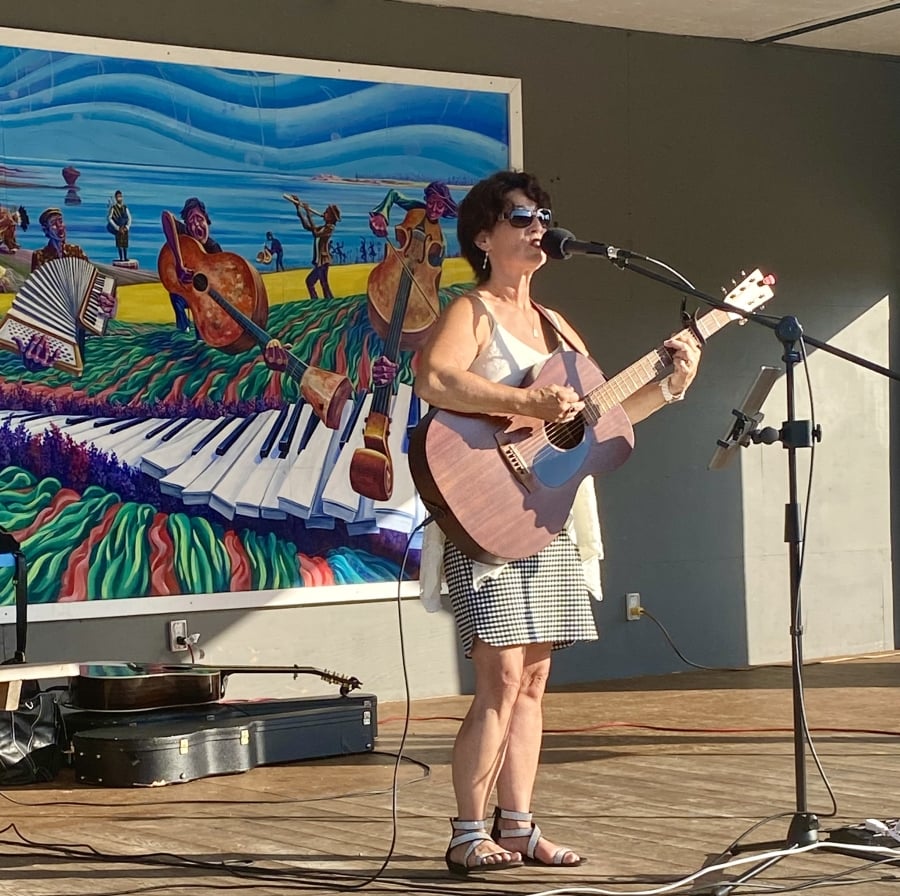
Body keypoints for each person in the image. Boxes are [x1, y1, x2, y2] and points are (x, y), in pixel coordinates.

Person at [413, 170, 703, 875]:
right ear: (484, 236)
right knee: (500, 678)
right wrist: (531, 405)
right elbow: (434, 379)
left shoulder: (557, 326)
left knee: (535, 681)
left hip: (546, 517)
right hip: (482, 512)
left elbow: (600, 423)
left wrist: (671, 385)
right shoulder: (471, 311)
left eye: (543, 215)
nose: (538, 226)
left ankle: (518, 827)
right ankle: (466, 831)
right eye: (520, 216)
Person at [162, 197, 223, 332]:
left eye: (199, 219)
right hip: (186, 293)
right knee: (175, 296)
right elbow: (166, 217)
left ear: (207, 220)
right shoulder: (186, 234)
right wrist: (179, 263)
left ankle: (202, 335)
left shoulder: (214, 248)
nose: (196, 225)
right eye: (191, 221)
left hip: (207, 299)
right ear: (187, 227)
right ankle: (183, 330)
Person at [284, 195, 340, 299]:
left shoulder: (330, 228)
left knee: (315, 283)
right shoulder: (323, 227)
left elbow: (316, 234)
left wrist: (309, 214)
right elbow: (307, 227)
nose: (324, 213)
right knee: (321, 284)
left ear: (331, 217)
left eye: (327, 212)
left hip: (323, 260)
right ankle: (322, 302)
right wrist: (299, 209)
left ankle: (321, 302)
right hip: (320, 261)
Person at [106, 190, 132, 262]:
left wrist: (127, 227)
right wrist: (117, 228)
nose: (119, 198)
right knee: (119, 244)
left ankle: (125, 257)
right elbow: (109, 218)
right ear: (115, 198)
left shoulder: (125, 207)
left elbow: (129, 218)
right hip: (119, 229)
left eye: (120, 197)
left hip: (125, 228)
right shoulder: (113, 208)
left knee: (125, 244)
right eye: (118, 197)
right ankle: (121, 258)